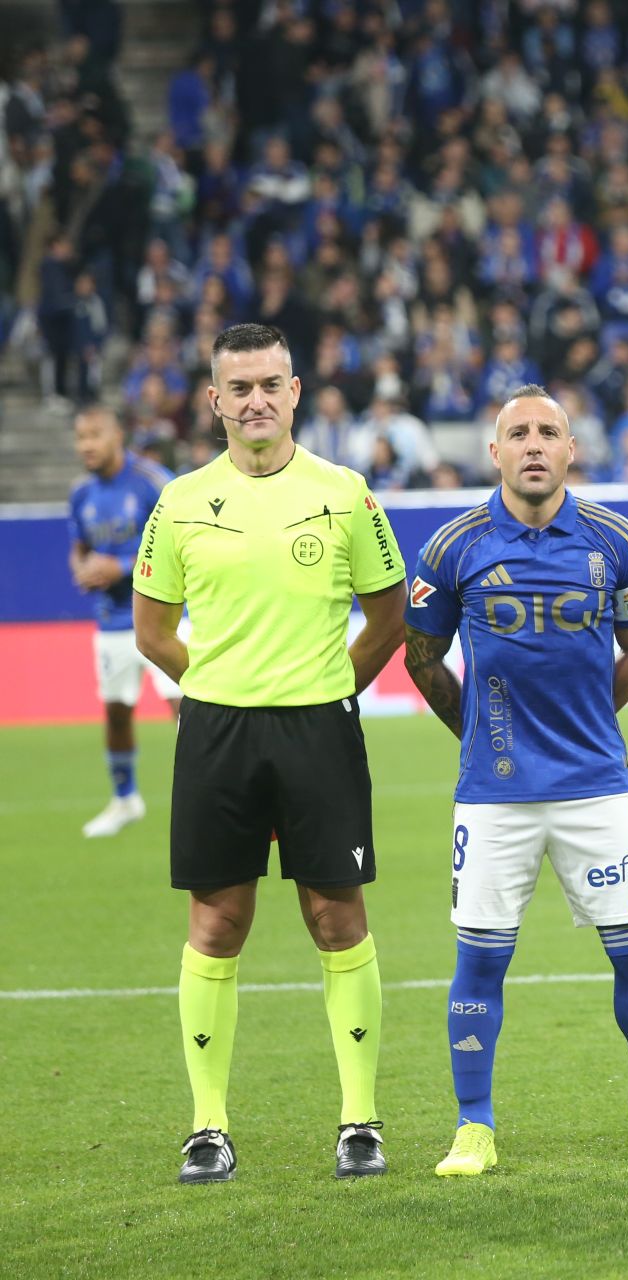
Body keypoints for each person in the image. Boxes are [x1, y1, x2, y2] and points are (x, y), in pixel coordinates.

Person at [132, 323, 408, 1183]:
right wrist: (218, 681)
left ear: (296, 393)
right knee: (218, 924)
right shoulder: (178, 501)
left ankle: (360, 1119)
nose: (256, 400)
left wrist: (331, 684)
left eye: (271, 384)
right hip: (218, 732)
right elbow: (152, 630)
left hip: (319, 727)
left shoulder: (346, 492)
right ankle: (207, 1126)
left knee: (337, 917)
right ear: (214, 400)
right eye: (239, 387)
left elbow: (388, 614)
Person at [403, 383, 628, 1175]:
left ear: (573, 450)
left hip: (595, 788)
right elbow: (421, 657)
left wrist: (588, 724)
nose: (534, 445)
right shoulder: (450, 547)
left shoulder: (619, 541)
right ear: (493, 453)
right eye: (518, 433)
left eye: (549, 432)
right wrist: (479, 733)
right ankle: (474, 1125)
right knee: (481, 960)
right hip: (494, 796)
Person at [68, 404, 177, 837]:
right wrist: (81, 569)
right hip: (113, 620)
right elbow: (78, 546)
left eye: (94, 435)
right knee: (116, 713)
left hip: (167, 616)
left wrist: (120, 567)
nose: (86, 446)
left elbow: (179, 543)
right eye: (80, 437)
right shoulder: (81, 493)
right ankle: (125, 799)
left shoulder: (153, 481)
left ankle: (212, 794)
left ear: (118, 436)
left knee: (186, 709)